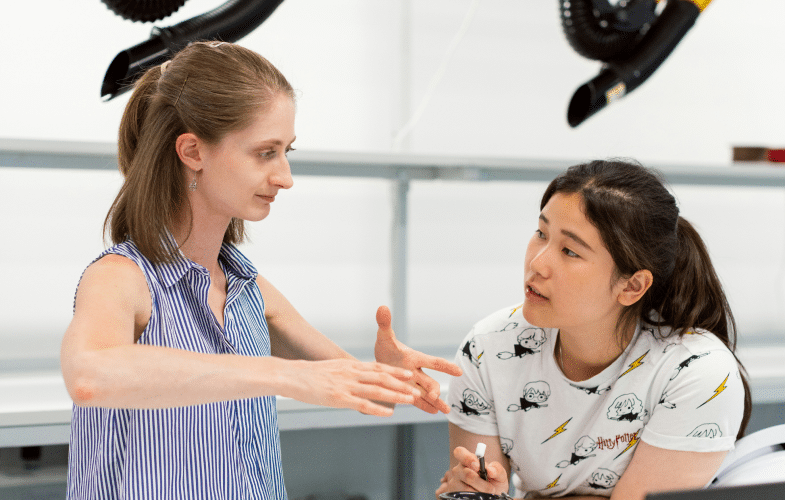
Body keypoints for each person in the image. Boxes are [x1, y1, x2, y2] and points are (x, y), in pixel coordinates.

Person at [60, 40, 461, 500]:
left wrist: (389, 379)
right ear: (193, 151)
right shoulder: (121, 277)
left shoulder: (250, 289)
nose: (286, 176)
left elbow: (354, 390)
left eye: (287, 151)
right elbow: (90, 376)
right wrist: (278, 374)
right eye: (265, 152)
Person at [437, 159, 751, 500]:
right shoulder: (487, 347)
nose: (537, 263)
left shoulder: (696, 370)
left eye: (570, 251)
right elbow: (475, 492)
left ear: (632, 286)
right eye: (541, 233)